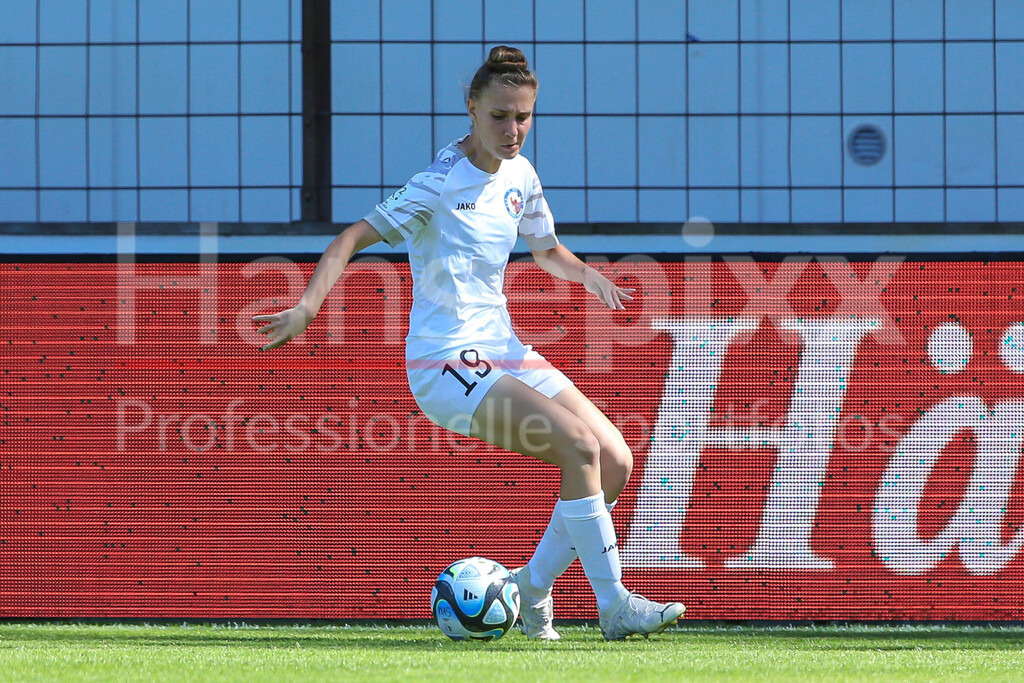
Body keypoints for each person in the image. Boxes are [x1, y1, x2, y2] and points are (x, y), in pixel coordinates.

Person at [253, 45, 685, 641]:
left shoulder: (521, 175)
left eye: (523, 117)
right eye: (500, 116)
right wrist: (308, 306)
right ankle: (614, 606)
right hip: (445, 361)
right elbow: (349, 238)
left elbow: (545, 248)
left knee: (615, 459)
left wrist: (587, 274)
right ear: (472, 109)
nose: (513, 130)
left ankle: (532, 589)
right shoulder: (436, 184)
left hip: (500, 347)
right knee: (580, 448)